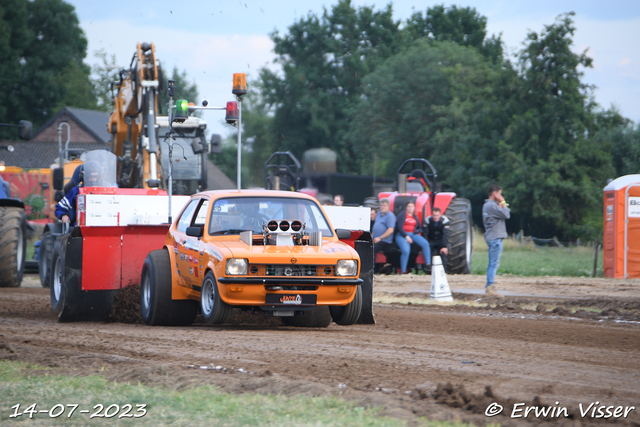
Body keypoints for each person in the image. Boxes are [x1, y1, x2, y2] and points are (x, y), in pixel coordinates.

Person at [483, 184, 510, 297]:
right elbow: (506, 214)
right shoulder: (491, 206)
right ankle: (490, 288)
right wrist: (503, 202)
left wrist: (501, 205)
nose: (501, 196)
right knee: (493, 264)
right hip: (495, 238)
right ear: (494, 194)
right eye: (499, 193)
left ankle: (490, 287)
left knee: (493, 263)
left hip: (492, 237)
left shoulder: (489, 206)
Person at [55, 161, 101, 226]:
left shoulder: (108, 191)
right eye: (90, 177)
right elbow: (59, 208)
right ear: (83, 176)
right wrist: (64, 215)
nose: (93, 180)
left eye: (95, 177)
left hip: (105, 226)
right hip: (80, 228)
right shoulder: (76, 191)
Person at [395, 201, 431, 274]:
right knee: (406, 250)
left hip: (413, 234)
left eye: (412, 206)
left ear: (414, 208)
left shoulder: (415, 216)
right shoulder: (402, 215)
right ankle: (403, 271)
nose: (410, 208)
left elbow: (419, 227)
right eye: (409, 206)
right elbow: (399, 227)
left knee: (425, 244)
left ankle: (428, 264)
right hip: (402, 235)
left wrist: (416, 231)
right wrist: (406, 236)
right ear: (406, 207)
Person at [372, 198, 396, 269]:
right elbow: (375, 226)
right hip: (375, 238)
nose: (383, 207)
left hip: (384, 240)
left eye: (384, 205)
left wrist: (380, 238)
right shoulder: (379, 214)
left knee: (372, 249)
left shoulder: (390, 216)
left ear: (388, 206)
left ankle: (372, 268)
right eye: (381, 205)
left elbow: (390, 230)